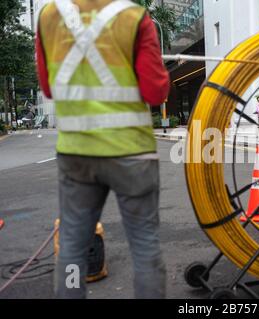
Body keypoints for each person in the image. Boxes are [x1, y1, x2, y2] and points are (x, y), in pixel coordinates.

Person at [36, 0, 170, 299]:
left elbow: (47, 88)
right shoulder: (134, 17)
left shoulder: (48, 15)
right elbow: (155, 91)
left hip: (76, 154)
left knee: (71, 248)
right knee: (145, 247)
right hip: (132, 153)